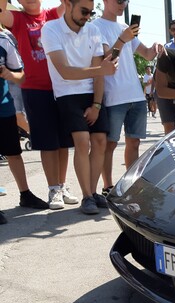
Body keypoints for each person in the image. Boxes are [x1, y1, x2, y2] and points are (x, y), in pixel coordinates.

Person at [0, 0, 80, 210]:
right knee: (47, 142)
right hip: (34, 88)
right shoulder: (17, 19)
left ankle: (62, 186)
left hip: (61, 86)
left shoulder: (53, 14)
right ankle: (53, 188)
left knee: (63, 142)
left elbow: (71, 4)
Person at [41, 0, 118, 215]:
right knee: (83, 141)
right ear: (67, 3)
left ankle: (93, 193)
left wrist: (96, 104)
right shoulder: (50, 29)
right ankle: (86, 196)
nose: (87, 16)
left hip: (92, 93)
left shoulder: (93, 30)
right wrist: (99, 69)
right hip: (67, 93)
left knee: (101, 140)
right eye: (84, 11)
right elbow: (65, 71)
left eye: (91, 12)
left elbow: (100, 72)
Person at [93, 0, 162, 195]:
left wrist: (155, 47)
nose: (123, 4)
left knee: (134, 142)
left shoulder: (125, 28)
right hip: (113, 95)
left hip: (136, 95)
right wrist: (123, 39)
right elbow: (108, 58)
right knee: (110, 144)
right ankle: (107, 186)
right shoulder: (96, 27)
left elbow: (147, 55)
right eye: (119, 0)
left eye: (126, 0)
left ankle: (131, 186)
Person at [1, 27, 50, 223]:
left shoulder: (4, 41)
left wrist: (7, 74)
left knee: (14, 152)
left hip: (4, 106)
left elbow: (21, 75)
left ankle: (25, 194)